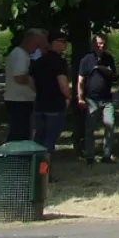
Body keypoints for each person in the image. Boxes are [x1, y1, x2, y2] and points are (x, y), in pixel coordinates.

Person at [30, 32, 72, 167]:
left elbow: (31, 81)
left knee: (38, 139)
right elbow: (63, 84)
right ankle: (44, 172)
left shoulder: (39, 61)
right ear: (55, 42)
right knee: (49, 140)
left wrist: (40, 92)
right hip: (55, 105)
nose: (65, 45)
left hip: (40, 105)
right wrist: (68, 96)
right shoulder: (59, 62)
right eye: (63, 42)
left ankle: (35, 169)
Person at [77, 34, 117, 165]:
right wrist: (80, 98)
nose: (101, 46)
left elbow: (114, 75)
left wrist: (106, 71)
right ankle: (90, 156)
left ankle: (107, 155)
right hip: (91, 99)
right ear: (94, 44)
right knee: (90, 128)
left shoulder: (108, 58)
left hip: (107, 98)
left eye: (104, 43)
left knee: (110, 124)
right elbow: (80, 81)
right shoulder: (86, 60)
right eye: (99, 43)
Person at [4, 29, 44, 142]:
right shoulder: (20, 55)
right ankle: (12, 152)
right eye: (36, 44)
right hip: (18, 100)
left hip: (20, 99)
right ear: (29, 41)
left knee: (21, 132)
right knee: (18, 134)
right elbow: (20, 77)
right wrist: (35, 86)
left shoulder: (21, 54)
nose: (37, 48)